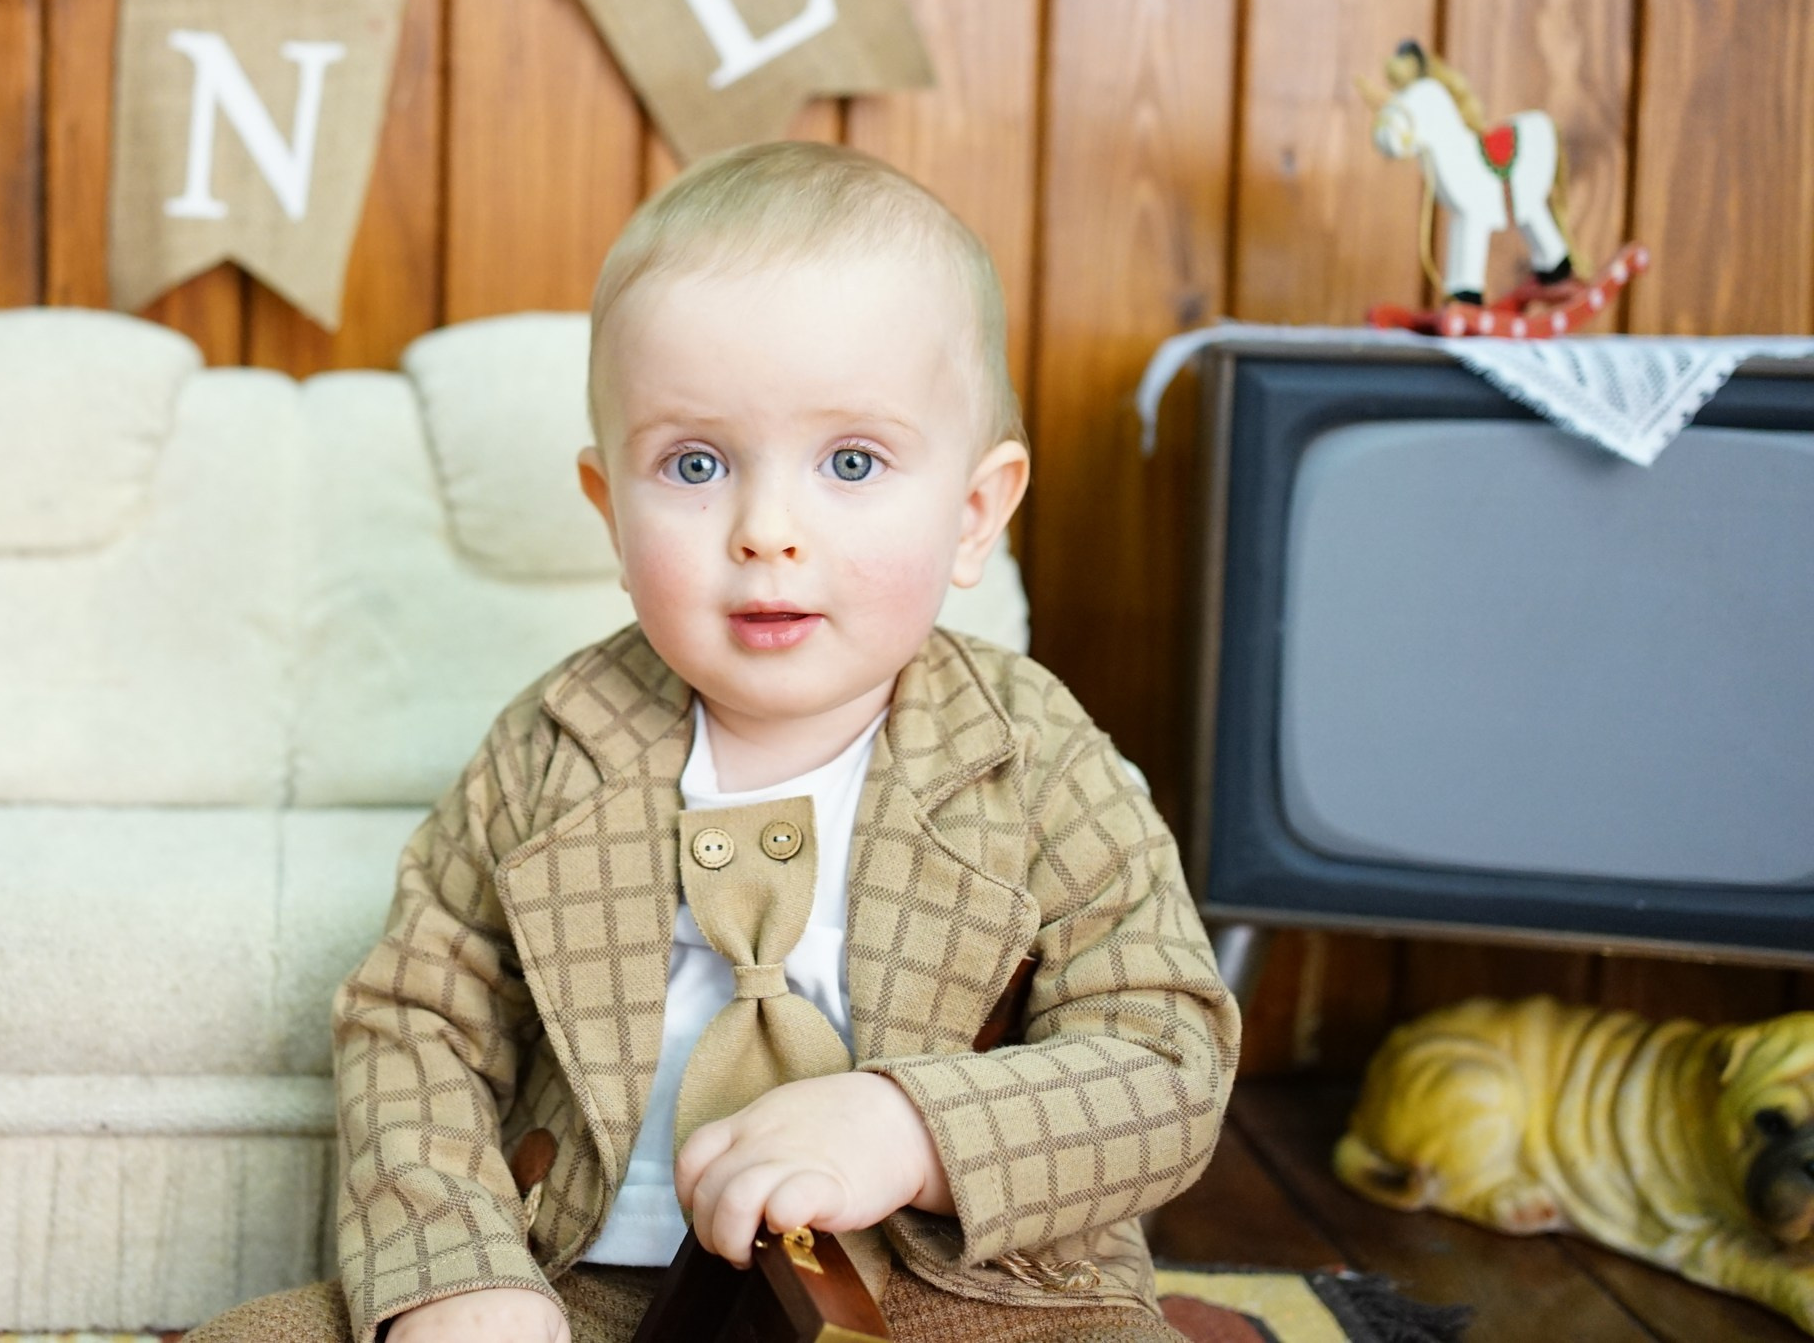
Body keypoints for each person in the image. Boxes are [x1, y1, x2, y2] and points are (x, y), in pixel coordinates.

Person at [193, 142, 1238, 1343]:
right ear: (610, 511)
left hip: (971, 1293)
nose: (765, 530)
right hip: (589, 1286)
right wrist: (457, 1273)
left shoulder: (1040, 760)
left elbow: (1167, 1057)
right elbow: (414, 1022)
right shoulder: (552, 747)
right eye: (695, 464)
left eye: (851, 461)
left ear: (972, 515)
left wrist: (912, 1129)